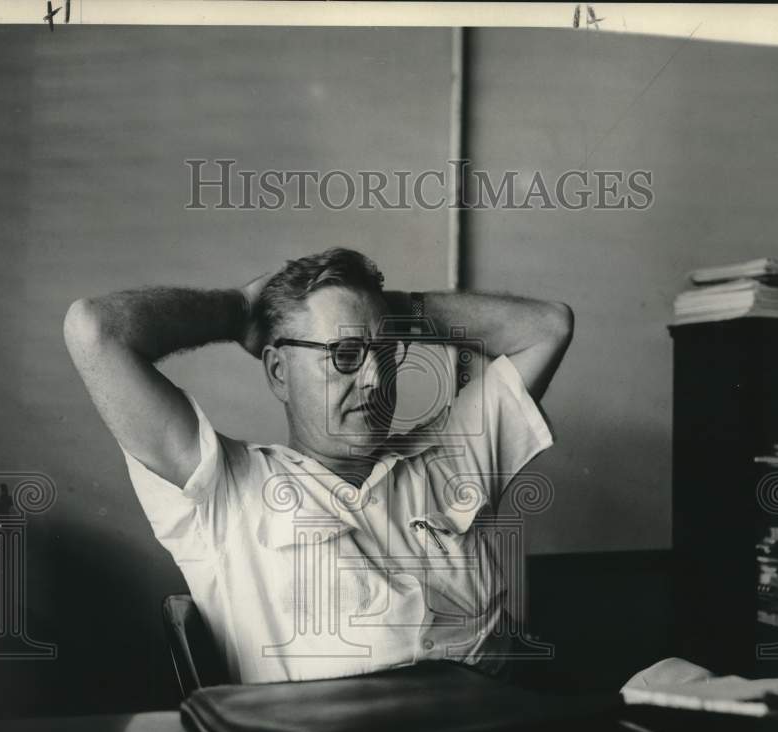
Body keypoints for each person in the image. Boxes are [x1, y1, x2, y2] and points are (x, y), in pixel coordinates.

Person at [63, 248, 574, 684]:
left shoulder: (451, 457)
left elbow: (548, 326)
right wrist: (240, 309)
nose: (376, 380)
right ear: (279, 371)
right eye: (346, 354)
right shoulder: (227, 492)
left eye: (387, 351)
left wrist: (387, 312)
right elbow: (95, 331)